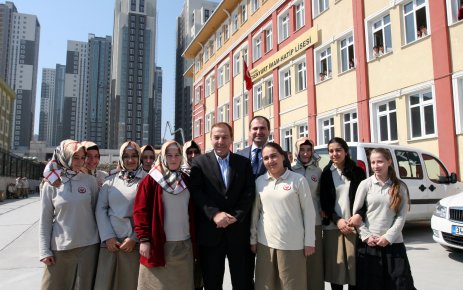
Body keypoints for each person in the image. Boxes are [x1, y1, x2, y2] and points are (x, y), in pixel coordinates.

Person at [190, 122, 255, 290]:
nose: (220, 141)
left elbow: (248, 193)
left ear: (231, 139)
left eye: (225, 137)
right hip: (211, 233)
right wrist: (214, 214)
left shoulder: (243, 163)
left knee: (243, 283)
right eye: (216, 137)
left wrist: (235, 216)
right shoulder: (199, 163)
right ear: (210, 139)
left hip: (238, 234)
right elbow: (197, 193)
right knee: (212, 283)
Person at [250, 142, 315, 290]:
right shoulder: (260, 182)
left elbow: (309, 212)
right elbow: (256, 213)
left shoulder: (298, 180)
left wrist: (309, 241)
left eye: (274, 156)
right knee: (265, 285)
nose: (270, 161)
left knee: (292, 285)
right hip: (265, 244)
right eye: (266, 158)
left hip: (292, 245)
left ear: (283, 157)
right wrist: (253, 239)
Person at [134, 140, 195, 290]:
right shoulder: (151, 180)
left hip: (184, 246)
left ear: (182, 157)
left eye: (177, 155)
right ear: (163, 157)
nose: (173, 159)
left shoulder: (186, 180)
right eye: (169, 155)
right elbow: (140, 211)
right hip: (159, 246)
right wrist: (144, 239)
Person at [39, 140, 99, 290]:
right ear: (64, 157)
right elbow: (45, 220)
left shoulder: (90, 181)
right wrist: (44, 251)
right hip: (60, 249)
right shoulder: (51, 184)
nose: (79, 162)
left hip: (88, 247)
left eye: (81, 158)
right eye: (75, 157)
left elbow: (97, 213)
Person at [352, 148, 416, 290]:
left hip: (393, 244)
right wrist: (366, 236)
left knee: (399, 284)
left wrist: (388, 236)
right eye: (373, 162)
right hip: (370, 245)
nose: (376, 166)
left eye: (380, 161)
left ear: (389, 162)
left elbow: (401, 215)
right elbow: (357, 214)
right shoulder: (365, 185)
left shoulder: (400, 187)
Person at [94, 141, 147, 290]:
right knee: (106, 283)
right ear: (121, 159)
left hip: (133, 244)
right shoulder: (110, 181)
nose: (130, 160)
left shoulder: (147, 180)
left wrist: (134, 238)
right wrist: (108, 237)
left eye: (134, 156)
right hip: (111, 244)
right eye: (126, 156)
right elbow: (101, 209)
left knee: (130, 283)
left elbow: (149, 212)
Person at [320, 137, 366, 290]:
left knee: (355, 273)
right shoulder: (326, 173)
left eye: (338, 150)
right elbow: (325, 201)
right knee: (336, 273)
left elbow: (366, 198)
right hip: (334, 228)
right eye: (331, 151)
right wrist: (337, 220)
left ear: (346, 152)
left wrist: (359, 215)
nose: (334, 154)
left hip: (354, 226)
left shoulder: (358, 172)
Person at [292, 137, 324, 290]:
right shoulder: (290, 169)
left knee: (314, 261)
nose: (305, 153)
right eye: (302, 149)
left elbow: (321, 194)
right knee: (297, 259)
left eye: (309, 149)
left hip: (314, 221)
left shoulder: (318, 171)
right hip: (296, 222)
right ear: (297, 151)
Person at [181, 140, 204, 290]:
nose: (193, 155)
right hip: (183, 225)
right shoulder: (178, 173)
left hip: (201, 224)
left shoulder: (205, 170)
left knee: (199, 267)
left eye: (196, 152)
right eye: (189, 152)